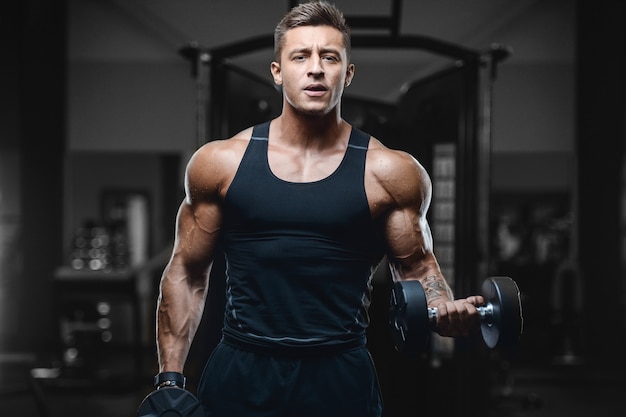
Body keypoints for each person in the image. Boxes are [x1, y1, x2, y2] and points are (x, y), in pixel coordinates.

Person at [155, 1, 484, 416]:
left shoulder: (390, 171)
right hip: (241, 371)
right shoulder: (221, 163)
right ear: (277, 72)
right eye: (300, 56)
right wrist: (170, 379)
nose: (316, 68)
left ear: (347, 73)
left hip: (339, 376)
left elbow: (418, 269)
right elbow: (186, 272)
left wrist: (442, 308)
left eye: (330, 57)